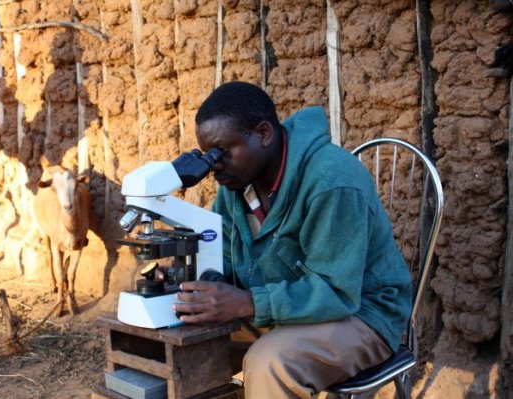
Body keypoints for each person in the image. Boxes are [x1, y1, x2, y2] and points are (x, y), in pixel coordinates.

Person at [172, 81, 412, 398]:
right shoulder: (236, 185)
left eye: (223, 152)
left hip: (361, 313)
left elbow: (337, 291)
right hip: (283, 306)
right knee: (181, 343)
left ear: (264, 134)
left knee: (269, 363)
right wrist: (190, 277)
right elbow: (229, 259)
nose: (215, 165)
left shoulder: (332, 180)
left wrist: (248, 302)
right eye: (208, 155)